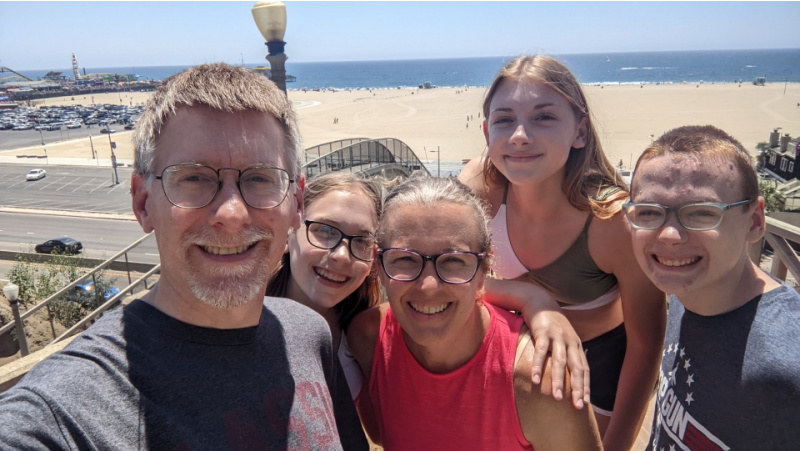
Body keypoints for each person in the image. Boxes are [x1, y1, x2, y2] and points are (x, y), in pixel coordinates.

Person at [0, 63, 367, 450]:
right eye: (194, 177)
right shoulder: (65, 410)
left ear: (295, 202)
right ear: (143, 203)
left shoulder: (309, 335)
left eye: (260, 178)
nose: (232, 214)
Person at [460, 55, 666, 449]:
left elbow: (645, 346)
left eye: (543, 117)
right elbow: (444, 274)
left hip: (596, 365)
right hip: (508, 353)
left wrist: (619, 444)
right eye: (504, 119)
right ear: (487, 132)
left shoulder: (612, 222)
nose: (520, 135)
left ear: (580, 132)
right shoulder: (480, 188)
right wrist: (531, 297)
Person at [348, 176, 602, 451]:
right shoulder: (366, 340)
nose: (429, 286)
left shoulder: (538, 380)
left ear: (484, 270)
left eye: (454, 260)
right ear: (379, 265)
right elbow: (380, 434)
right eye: (405, 259)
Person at [626, 125, 800, 450]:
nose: (669, 236)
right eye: (649, 212)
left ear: (755, 221)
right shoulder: (688, 292)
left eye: (702, 213)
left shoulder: (788, 364)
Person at [266, 171, 383, 402]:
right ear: (290, 232)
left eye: (361, 241)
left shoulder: (365, 337)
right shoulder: (234, 321)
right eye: (324, 231)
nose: (341, 255)